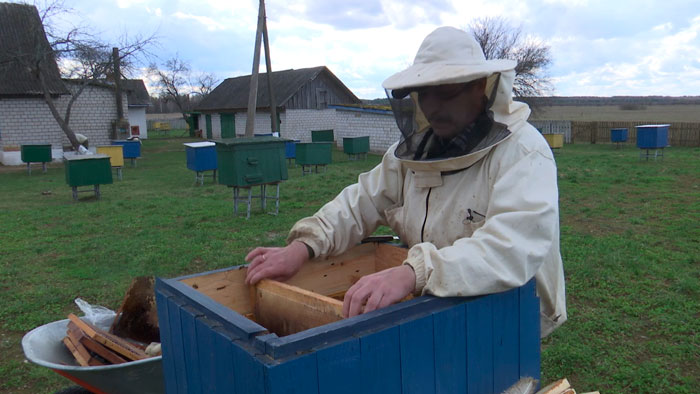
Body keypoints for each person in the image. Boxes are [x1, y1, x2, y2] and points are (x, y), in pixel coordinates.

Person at [245, 26, 566, 337]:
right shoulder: (414, 154)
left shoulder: (523, 151)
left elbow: (509, 249)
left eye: (445, 93)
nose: (432, 107)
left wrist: (414, 272)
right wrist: (304, 246)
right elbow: (361, 202)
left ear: (479, 86)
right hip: (432, 304)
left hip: (504, 313)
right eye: (424, 95)